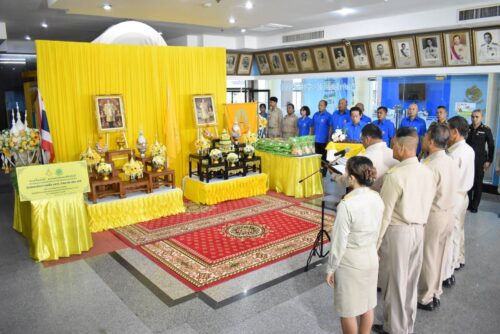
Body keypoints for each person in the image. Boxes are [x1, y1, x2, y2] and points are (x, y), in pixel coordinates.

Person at [373, 127, 435, 334]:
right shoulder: (427, 171)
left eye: (392, 144)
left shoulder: (395, 176)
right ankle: (405, 324)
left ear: (400, 147)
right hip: (419, 231)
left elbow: (385, 214)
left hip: (398, 232)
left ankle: (395, 329)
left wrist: (375, 244)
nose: (391, 147)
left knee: (395, 283)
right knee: (409, 282)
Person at [326, 156, 384, 334]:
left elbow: (339, 242)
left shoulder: (347, 204)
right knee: (367, 304)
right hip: (371, 258)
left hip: (350, 263)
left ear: (351, 178)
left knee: (348, 310)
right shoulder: (377, 198)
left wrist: (331, 268)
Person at [417, 124, 458, 311]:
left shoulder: (429, 166)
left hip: (434, 215)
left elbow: (423, 196)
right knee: (441, 255)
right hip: (449, 213)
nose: (423, 139)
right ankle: (436, 292)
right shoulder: (450, 160)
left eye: (425, 136)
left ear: (431, 141)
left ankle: (425, 297)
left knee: (428, 256)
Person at [443, 116, 474, 288]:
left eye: (448, 130)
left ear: (455, 132)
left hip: (454, 196)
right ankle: (459, 258)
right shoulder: (468, 149)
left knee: (451, 233)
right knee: (458, 230)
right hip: (463, 195)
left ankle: (450, 267)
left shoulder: (455, 153)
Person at [330, 124, 398, 192]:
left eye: (362, 140)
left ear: (367, 139)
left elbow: (349, 181)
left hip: (368, 198)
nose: (362, 143)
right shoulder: (394, 154)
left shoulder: (364, 159)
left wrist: (334, 175)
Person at [466, 110, 495, 213]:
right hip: (468, 161)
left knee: (478, 184)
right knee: (468, 182)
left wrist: (489, 160)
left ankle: (474, 206)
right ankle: (468, 204)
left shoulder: (486, 130)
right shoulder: (467, 129)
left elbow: (491, 146)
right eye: (472, 116)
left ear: (481, 117)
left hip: (480, 161)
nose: (474, 119)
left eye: (477, 117)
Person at [312, 100, 332, 169]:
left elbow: (330, 128)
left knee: (324, 158)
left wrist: (329, 139)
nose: (319, 106)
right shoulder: (315, 115)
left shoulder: (328, 116)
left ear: (325, 106)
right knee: (315, 157)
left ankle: (323, 172)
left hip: (324, 140)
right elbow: (312, 127)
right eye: (319, 105)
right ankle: (316, 171)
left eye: (321, 105)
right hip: (315, 140)